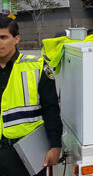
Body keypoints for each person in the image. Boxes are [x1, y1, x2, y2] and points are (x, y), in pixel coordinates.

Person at [0, 15, 62, 176]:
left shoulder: (37, 66)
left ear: (16, 39)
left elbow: (51, 109)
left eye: (3, 37)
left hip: (24, 152)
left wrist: (55, 145)